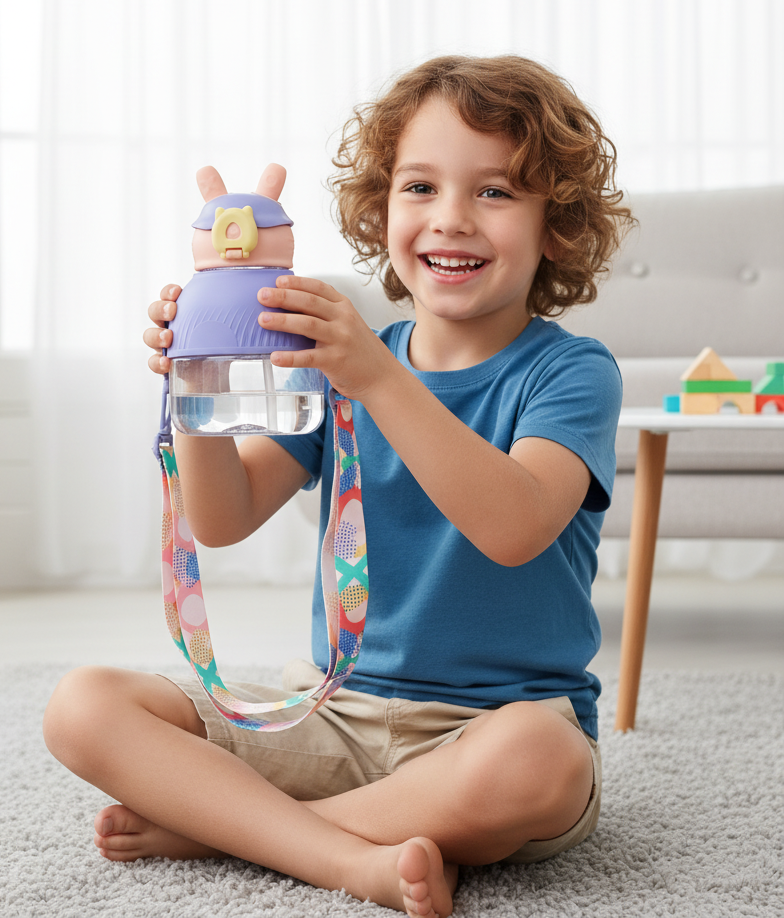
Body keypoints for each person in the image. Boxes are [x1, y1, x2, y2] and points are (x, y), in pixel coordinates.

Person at [42, 55, 633, 918]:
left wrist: (378, 381)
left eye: (496, 191)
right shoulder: (347, 363)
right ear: (380, 209)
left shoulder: (572, 373)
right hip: (333, 713)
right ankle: (352, 855)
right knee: (83, 706)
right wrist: (194, 381)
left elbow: (514, 525)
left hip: (489, 731)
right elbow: (223, 518)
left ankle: (239, 832)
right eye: (420, 187)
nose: (452, 218)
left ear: (559, 228)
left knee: (543, 765)